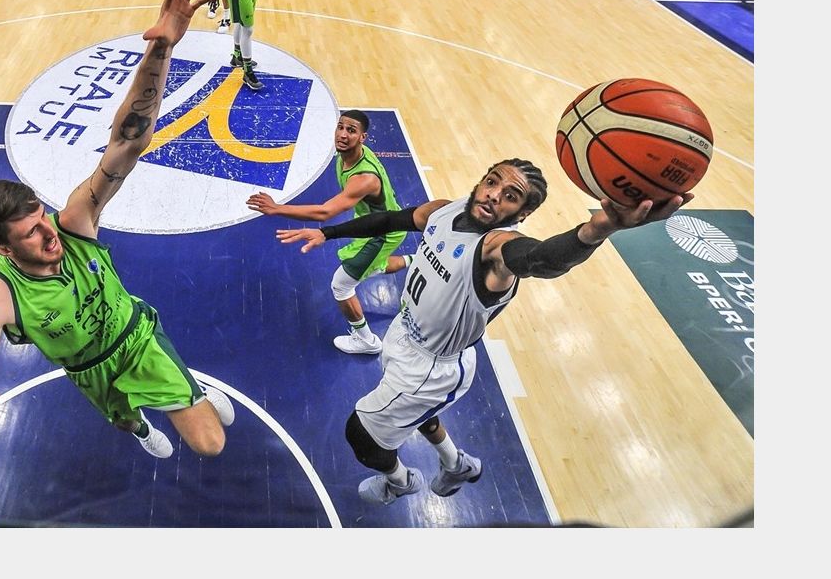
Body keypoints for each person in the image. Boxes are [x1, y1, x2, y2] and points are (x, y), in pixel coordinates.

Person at [0, 0, 235, 487]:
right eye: (30, 233)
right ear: (2, 250)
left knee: (210, 443)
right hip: (90, 371)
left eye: (41, 216)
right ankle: (138, 425)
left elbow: (127, 140)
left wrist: (161, 49)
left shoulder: (75, 222)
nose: (48, 234)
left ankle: (189, 387)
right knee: (127, 421)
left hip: (135, 338)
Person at [276, 159, 690, 505]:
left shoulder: (497, 250)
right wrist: (326, 232)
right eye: (493, 182)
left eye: (511, 195)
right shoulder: (443, 211)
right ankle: (455, 464)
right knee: (419, 416)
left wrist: (597, 230)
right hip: (404, 334)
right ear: (480, 182)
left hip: (430, 369)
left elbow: (540, 259)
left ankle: (400, 483)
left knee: (362, 435)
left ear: (521, 214)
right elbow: (390, 219)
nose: (494, 195)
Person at [246, 110, 410, 355]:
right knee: (372, 265)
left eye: (351, 131)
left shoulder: (364, 178)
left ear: (362, 137)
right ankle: (414, 260)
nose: (342, 134)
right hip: (372, 222)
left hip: (382, 232)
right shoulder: (350, 154)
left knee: (341, 286)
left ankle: (367, 342)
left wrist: (277, 208)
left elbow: (325, 212)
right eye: (340, 127)